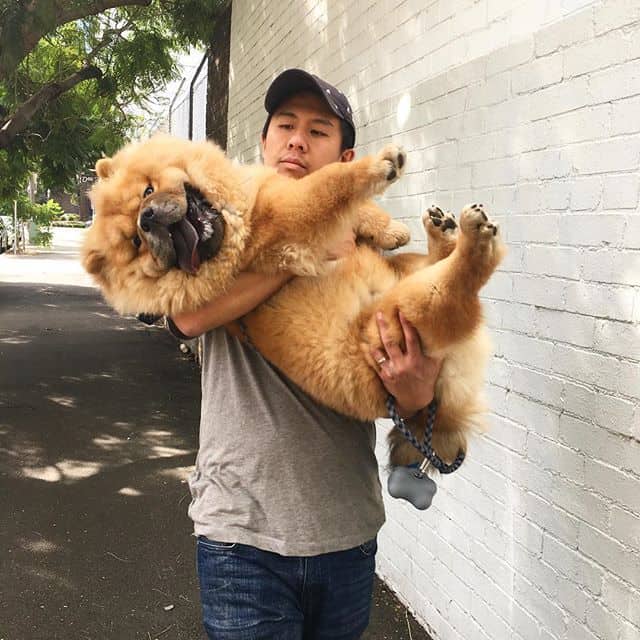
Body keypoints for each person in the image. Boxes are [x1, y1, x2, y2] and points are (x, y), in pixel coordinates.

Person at [169, 69, 441, 639]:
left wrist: (416, 395)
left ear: (347, 161)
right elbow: (186, 314)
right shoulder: (221, 226)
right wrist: (308, 248)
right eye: (285, 126)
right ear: (264, 145)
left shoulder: (371, 252)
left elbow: (415, 405)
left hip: (346, 535)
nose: (297, 139)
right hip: (241, 537)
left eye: (318, 131)